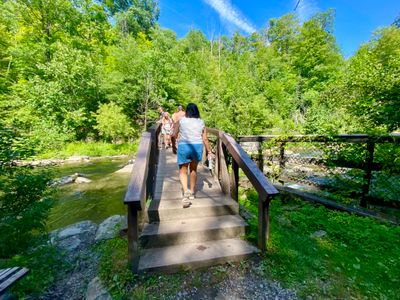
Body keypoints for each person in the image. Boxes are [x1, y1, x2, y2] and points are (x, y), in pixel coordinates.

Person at [173, 103, 214, 208]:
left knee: (183, 170)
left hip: (184, 146)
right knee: (193, 169)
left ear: (187, 111)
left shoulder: (181, 120)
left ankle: (185, 191)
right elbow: (205, 139)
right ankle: (192, 192)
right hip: (196, 147)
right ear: (197, 111)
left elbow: (174, 134)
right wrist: (209, 151)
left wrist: (174, 145)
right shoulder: (201, 122)